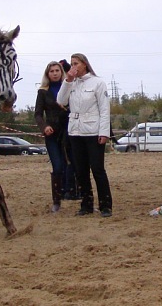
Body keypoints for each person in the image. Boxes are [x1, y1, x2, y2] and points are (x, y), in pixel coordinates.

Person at [57, 53, 113, 218]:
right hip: (75, 131)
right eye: (72, 63)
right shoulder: (71, 84)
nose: (73, 67)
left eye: (76, 63)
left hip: (93, 131)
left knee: (97, 169)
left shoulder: (98, 83)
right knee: (80, 171)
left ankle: (106, 205)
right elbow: (61, 100)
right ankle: (86, 204)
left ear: (85, 65)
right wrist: (67, 81)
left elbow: (104, 109)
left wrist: (104, 132)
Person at [34, 61, 71, 212]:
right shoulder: (42, 92)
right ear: (47, 74)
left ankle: (73, 192)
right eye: (51, 71)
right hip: (52, 133)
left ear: (61, 72)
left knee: (71, 164)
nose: (55, 73)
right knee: (57, 166)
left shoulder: (69, 88)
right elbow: (37, 114)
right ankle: (56, 200)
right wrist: (44, 127)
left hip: (69, 131)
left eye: (57, 70)